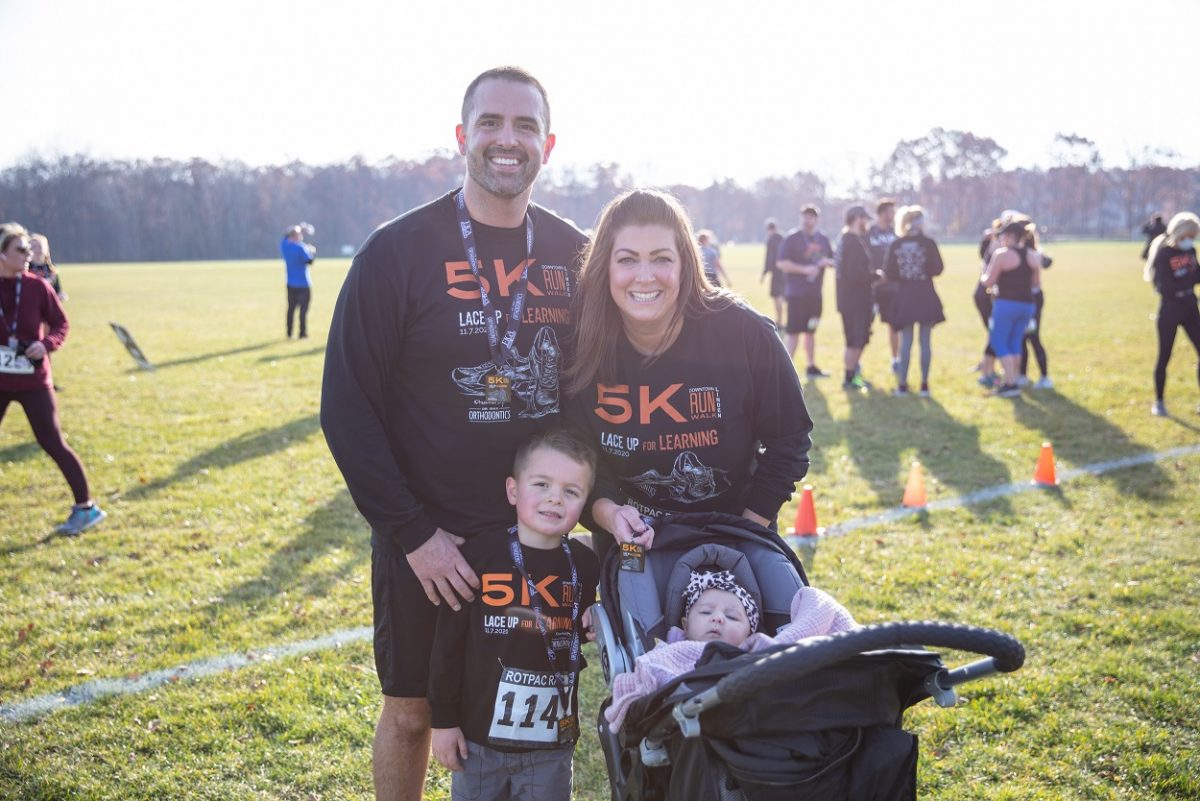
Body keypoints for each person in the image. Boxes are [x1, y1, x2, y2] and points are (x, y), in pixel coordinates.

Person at [320, 67, 586, 801]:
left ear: (548, 144)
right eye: (492, 123)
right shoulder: (398, 250)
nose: (509, 139)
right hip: (429, 537)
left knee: (523, 716)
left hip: (535, 536)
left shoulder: (575, 253)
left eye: (525, 125)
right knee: (411, 714)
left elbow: (599, 386)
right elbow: (347, 408)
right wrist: (412, 533)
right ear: (464, 137)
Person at [564, 189, 812, 560]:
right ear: (606, 267)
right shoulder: (583, 344)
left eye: (661, 259)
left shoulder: (744, 333)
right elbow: (579, 461)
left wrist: (745, 533)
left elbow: (788, 442)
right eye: (627, 259)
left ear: (685, 264)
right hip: (631, 548)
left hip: (737, 537)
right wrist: (612, 514)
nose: (645, 277)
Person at [429, 429, 600, 801]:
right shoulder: (480, 556)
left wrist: (596, 612)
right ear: (512, 490)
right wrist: (443, 722)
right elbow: (447, 643)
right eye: (541, 484)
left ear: (584, 503)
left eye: (571, 492)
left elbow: (595, 619)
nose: (555, 497)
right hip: (478, 744)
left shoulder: (586, 566)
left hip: (551, 745)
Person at [603, 570, 856, 731]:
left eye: (732, 617)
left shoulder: (756, 649)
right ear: (684, 625)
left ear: (750, 632)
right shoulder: (672, 651)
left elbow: (817, 613)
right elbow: (654, 673)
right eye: (705, 612)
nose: (718, 619)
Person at [0, 223, 104, 535]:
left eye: (29, 249)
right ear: (2, 254)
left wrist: (45, 345)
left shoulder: (36, 286)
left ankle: (86, 509)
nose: (29, 254)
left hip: (34, 381)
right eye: (21, 249)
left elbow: (61, 324)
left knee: (53, 442)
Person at [883, 206, 945, 397]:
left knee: (906, 342)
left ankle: (902, 386)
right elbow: (938, 268)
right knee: (925, 341)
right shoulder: (928, 243)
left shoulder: (896, 244)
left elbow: (889, 272)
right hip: (926, 294)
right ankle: (924, 386)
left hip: (905, 296)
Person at [1144, 212, 1200, 416]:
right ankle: (1159, 402)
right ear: (1179, 233)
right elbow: (1166, 286)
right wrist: (1188, 280)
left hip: (1191, 307)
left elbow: (1197, 275)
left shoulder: (1191, 250)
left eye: (1193, 236)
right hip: (1170, 310)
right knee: (1164, 356)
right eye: (1188, 235)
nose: (1190, 240)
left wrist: (1187, 281)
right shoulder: (1164, 254)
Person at [981, 219, 1043, 398]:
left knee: (999, 341)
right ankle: (1014, 379)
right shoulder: (1032, 256)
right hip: (1027, 305)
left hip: (1006, 304)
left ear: (1009, 236)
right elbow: (1036, 284)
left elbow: (988, 281)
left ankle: (1010, 383)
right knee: (1015, 342)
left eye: (1002, 236)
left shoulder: (1002, 255)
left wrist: (983, 272)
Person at [776, 204, 835, 375]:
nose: (806, 220)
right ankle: (786, 370)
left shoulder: (822, 239)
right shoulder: (792, 238)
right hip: (796, 294)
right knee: (793, 331)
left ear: (817, 219)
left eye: (810, 216)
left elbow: (832, 259)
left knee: (811, 330)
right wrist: (805, 269)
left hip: (815, 295)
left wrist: (826, 262)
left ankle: (811, 366)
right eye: (804, 216)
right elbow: (781, 263)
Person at [835, 205, 875, 390]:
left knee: (854, 339)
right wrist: (876, 276)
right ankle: (849, 378)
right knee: (856, 340)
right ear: (856, 219)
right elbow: (854, 274)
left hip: (848, 301)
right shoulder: (852, 242)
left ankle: (852, 376)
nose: (866, 222)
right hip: (856, 301)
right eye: (864, 219)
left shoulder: (844, 240)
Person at [866, 199, 899, 372]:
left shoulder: (896, 232)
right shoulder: (869, 232)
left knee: (894, 325)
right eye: (891, 212)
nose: (893, 215)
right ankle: (856, 363)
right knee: (865, 325)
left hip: (892, 288)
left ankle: (895, 360)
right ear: (882, 213)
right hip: (871, 288)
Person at [1019, 232, 1054, 390]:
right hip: (1023, 299)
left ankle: (1045, 377)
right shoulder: (1028, 254)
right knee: (1021, 338)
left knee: (1033, 337)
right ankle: (1022, 375)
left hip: (1032, 299)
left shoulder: (1032, 255)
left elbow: (1047, 262)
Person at [280, 223, 316, 339]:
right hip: (303, 284)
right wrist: (312, 252)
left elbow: (285, 236)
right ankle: (302, 333)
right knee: (303, 310)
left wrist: (297, 227)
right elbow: (309, 261)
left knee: (291, 309)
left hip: (290, 284)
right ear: (296, 236)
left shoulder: (284, 246)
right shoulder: (301, 247)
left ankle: (289, 332)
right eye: (299, 234)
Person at [761, 218, 784, 328]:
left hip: (776, 272)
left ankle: (779, 320)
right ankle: (781, 319)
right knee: (782, 296)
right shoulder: (783, 238)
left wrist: (764, 273)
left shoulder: (771, 240)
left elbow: (769, 257)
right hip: (784, 271)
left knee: (777, 296)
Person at [28, 234, 65, 301]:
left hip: (48, 305)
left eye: (40, 246)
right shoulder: (25, 267)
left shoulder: (51, 268)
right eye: (34, 247)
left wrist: (60, 296)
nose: (37, 250)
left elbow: (57, 290)